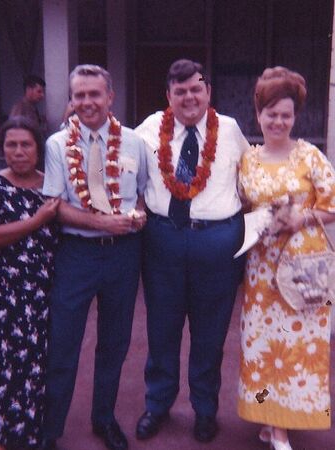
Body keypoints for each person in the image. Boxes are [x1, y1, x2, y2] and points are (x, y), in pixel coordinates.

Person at [135, 59, 249, 443]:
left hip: (217, 244)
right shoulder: (148, 129)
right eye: (180, 91)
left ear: (208, 92)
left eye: (196, 89)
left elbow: (253, 179)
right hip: (163, 240)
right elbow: (121, 168)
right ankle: (158, 404)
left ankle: (204, 409)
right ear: (168, 96)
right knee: (162, 329)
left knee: (210, 334)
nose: (189, 97)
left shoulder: (230, 130)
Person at [41, 64, 147, 450]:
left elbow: (146, 195)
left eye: (94, 94)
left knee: (115, 343)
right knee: (64, 343)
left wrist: (137, 218)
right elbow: (54, 205)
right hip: (77, 255)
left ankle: (104, 419)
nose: (87, 102)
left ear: (110, 97)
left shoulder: (134, 143)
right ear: (72, 99)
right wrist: (102, 224)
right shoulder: (56, 145)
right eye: (80, 95)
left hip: (123, 257)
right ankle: (50, 429)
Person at [237, 67, 335, 450]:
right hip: (261, 271)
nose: (278, 121)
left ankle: (283, 427)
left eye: (286, 115)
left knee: (299, 348)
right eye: (271, 113)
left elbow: (332, 203)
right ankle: (268, 418)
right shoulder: (248, 160)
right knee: (263, 347)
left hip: (304, 269)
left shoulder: (309, 155)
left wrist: (302, 217)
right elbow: (242, 207)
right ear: (258, 113)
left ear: (295, 117)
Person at [0, 116, 60, 450]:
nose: (19, 151)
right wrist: (37, 220)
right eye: (11, 144)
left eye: (26, 144)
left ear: (38, 149)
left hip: (39, 292)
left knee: (34, 364)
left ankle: (29, 431)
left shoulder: (52, 186)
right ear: (2, 149)